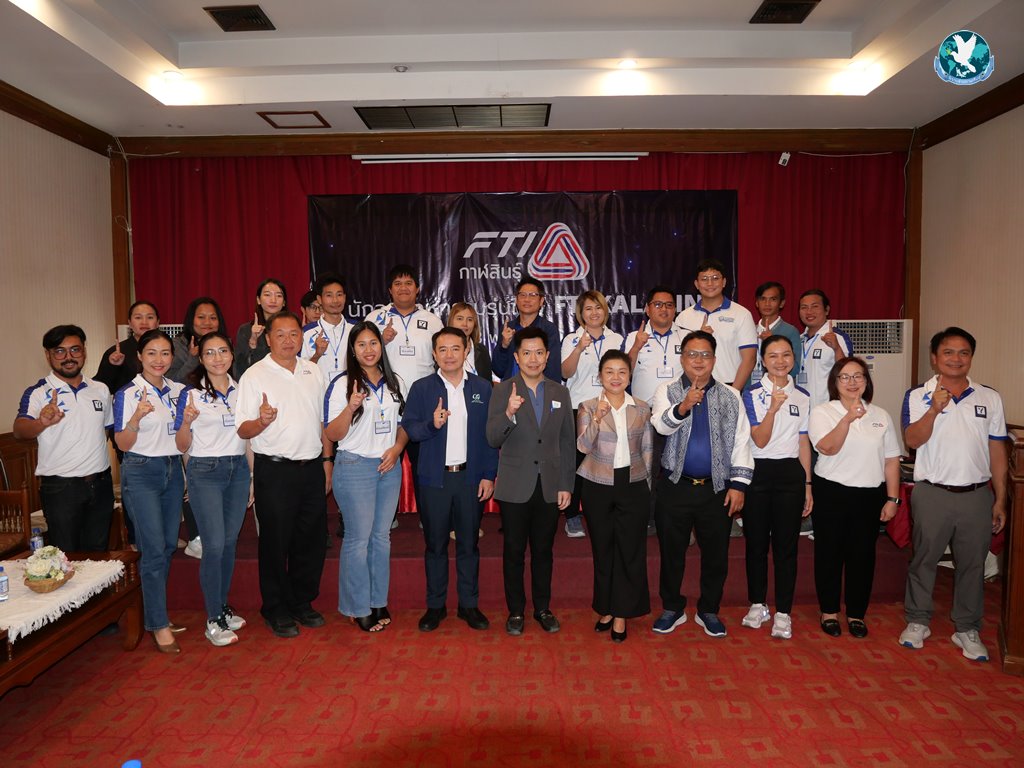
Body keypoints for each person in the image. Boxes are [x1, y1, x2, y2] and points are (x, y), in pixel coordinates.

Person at [899, 327, 1008, 662]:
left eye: (963, 353)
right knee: (924, 559)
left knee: (973, 564)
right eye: (948, 352)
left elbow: (997, 450)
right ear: (935, 358)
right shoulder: (918, 395)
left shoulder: (989, 397)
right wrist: (934, 409)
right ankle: (918, 620)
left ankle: (967, 628)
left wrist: (1000, 497)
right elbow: (912, 441)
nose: (956, 359)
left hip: (977, 495)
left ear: (971, 357)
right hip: (932, 493)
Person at [650, 330, 753, 638]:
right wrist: (683, 406)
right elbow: (660, 426)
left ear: (714, 360)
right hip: (675, 486)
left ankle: (709, 609)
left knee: (716, 555)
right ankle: (673, 607)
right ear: (682, 358)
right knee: (672, 553)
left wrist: (739, 485)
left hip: (716, 489)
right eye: (692, 354)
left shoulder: (731, 395)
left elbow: (742, 441)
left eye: (705, 355)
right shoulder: (667, 390)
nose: (698, 360)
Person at [236, 311, 330, 639]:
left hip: (311, 467)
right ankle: (274, 607)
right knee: (275, 542)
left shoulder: (313, 371)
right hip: (275, 471)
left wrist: (327, 461)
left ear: (302, 337)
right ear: (268, 339)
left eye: (294, 334)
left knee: (311, 540)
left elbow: (321, 421)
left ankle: (301, 601)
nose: (288, 340)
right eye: (280, 334)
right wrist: (261, 421)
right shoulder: (254, 375)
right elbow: (243, 429)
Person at [402, 327, 497, 632]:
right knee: (435, 545)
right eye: (442, 349)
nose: (449, 355)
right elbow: (410, 429)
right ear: (434, 354)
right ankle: (436, 606)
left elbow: (490, 438)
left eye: (455, 348)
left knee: (469, 545)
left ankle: (469, 605)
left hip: (470, 479)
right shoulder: (422, 388)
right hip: (434, 480)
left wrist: (488, 475)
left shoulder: (482, 388)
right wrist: (432, 425)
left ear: (466, 350)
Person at [487, 326, 574, 636]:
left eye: (539, 353)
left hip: (549, 485)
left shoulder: (560, 392)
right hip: (515, 484)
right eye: (527, 353)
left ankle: (542, 608)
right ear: (517, 357)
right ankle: (515, 611)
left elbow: (567, 442)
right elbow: (492, 438)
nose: (533, 359)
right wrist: (509, 413)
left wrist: (566, 484)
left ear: (547, 356)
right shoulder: (502, 391)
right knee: (513, 551)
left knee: (543, 551)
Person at [808, 356, 900, 639]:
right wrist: (848, 418)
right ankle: (829, 611)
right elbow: (827, 448)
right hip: (832, 492)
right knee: (829, 554)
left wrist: (893, 499)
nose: (852, 382)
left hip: (870, 495)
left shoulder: (880, 415)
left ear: (866, 381)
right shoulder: (823, 412)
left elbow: (891, 460)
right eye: (844, 377)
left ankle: (856, 613)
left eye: (858, 376)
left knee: (863, 556)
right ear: (835, 382)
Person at [324, 321, 407, 632]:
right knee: (358, 540)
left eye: (373, 343)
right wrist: (350, 408)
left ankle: (377, 599)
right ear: (353, 350)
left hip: (388, 467)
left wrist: (397, 449)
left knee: (381, 538)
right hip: (355, 466)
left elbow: (403, 424)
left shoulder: (395, 381)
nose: (369, 350)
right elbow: (332, 433)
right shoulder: (342, 384)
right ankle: (357, 606)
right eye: (361, 344)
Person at [174, 332, 252, 647]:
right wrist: (185, 423)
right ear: (201, 358)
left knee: (229, 543)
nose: (217, 358)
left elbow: (247, 437)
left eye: (222, 351)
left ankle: (222, 606)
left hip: (238, 470)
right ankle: (213, 619)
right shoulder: (190, 394)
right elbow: (181, 445)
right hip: (205, 472)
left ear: (232, 354)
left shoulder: (242, 390)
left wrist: (252, 476)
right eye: (209, 352)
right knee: (214, 545)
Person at [112, 329, 185, 654]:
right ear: (139, 356)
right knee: (153, 548)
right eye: (151, 353)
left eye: (165, 353)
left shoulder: (178, 390)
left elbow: (182, 437)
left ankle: (156, 614)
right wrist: (136, 418)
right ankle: (157, 622)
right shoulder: (128, 393)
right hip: (141, 471)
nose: (159, 359)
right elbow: (122, 444)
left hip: (172, 470)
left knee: (168, 545)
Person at [14, 325, 114, 552]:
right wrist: (42, 422)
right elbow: (19, 430)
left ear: (84, 351)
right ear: (48, 355)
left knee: (99, 556)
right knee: (65, 557)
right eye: (59, 351)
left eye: (75, 349)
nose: (69, 357)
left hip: (100, 484)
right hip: (61, 489)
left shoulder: (100, 389)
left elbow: (107, 430)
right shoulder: (38, 392)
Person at [576, 349, 653, 643]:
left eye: (622, 371)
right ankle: (606, 607)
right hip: (597, 484)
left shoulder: (641, 408)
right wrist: (597, 419)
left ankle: (621, 613)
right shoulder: (587, 406)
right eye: (609, 372)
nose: (616, 377)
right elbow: (583, 447)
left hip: (632, 484)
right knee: (603, 548)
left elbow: (647, 449)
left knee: (630, 550)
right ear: (600, 376)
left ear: (629, 376)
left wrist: (647, 485)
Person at [739, 335, 813, 640]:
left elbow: (803, 441)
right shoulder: (751, 394)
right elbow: (759, 440)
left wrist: (807, 484)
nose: (780, 362)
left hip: (790, 474)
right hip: (758, 472)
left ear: (794, 359)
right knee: (755, 544)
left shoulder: (803, 396)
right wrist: (772, 408)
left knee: (786, 547)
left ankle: (783, 611)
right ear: (763, 361)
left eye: (786, 355)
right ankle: (758, 604)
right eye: (773, 356)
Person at [561, 291, 625, 539]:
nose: (594, 313)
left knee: (608, 462)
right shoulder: (571, 339)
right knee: (578, 464)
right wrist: (579, 348)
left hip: (610, 406)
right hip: (579, 408)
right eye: (588, 308)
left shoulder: (616, 339)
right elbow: (565, 372)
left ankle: (607, 511)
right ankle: (572, 516)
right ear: (581, 313)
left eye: (598, 307)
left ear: (605, 311)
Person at [624, 285, 687, 536]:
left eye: (669, 305)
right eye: (658, 304)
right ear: (647, 309)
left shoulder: (685, 336)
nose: (664, 309)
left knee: (678, 468)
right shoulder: (634, 336)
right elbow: (624, 373)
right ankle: (648, 519)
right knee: (646, 470)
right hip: (645, 414)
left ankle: (677, 519)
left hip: (679, 412)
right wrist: (636, 347)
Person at [673, 259, 757, 390]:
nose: (710, 283)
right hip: (693, 389)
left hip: (729, 385)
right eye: (704, 279)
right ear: (697, 284)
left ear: (724, 282)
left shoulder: (742, 314)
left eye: (715, 278)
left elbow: (750, 359)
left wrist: (733, 393)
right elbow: (681, 358)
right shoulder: (683, 317)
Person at [364, 264, 443, 397]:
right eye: (397, 284)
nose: (403, 288)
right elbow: (361, 356)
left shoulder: (433, 321)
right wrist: (381, 341)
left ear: (417, 289)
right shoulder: (374, 318)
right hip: (385, 395)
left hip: (425, 394)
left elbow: (442, 358)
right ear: (390, 290)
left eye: (408, 283)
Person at [491, 277, 561, 384]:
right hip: (511, 390)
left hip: (538, 390)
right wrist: (504, 346)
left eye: (532, 295)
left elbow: (553, 371)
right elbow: (498, 370)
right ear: (516, 299)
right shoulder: (508, 328)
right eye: (522, 295)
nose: (527, 299)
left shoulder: (548, 330)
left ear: (541, 301)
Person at [797, 289, 852, 409]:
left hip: (828, 410)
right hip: (801, 410)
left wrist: (837, 348)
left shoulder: (838, 337)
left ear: (826, 310)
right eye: (804, 307)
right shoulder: (799, 339)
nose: (809, 312)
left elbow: (848, 373)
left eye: (815, 306)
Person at [95, 300, 160, 396]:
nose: (144, 322)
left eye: (150, 317)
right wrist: (112, 366)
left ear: (158, 322)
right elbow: (101, 388)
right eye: (138, 317)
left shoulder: (167, 350)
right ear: (129, 323)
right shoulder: (115, 352)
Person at [748, 282, 802, 389]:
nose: (767, 304)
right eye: (763, 299)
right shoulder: (749, 330)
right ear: (757, 303)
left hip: (779, 390)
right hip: (750, 389)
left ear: (781, 303)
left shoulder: (790, 331)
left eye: (773, 299)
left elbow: (795, 367)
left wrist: (771, 341)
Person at [301, 273, 351, 384]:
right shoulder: (306, 333)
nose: (335, 300)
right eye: (329, 295)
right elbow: (300, 373)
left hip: (352, 393)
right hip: (318, 393)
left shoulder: (356, 329)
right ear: (319, 299)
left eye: (339, 295)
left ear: (344, 297)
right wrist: (317, 355)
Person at [234, 278, 287, 379]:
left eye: (279, 296)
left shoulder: (291, 329)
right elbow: (240, 369)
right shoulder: (245, 330)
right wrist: (253, 342)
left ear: (284, 302)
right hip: (257, 382)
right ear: (258, 300)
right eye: (267, 295)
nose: (273, 300)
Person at [167, 297, 224, 383]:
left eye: (213, 318)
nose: (207, 322)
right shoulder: (177, 346)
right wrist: (193, 359)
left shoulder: (226, 345)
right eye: (201, 317)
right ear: (191, 320)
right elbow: (170, 382)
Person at [448, 302, 492, 380]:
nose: (465, 324)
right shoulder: (443, 349)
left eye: (470, 320)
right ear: (451, 321)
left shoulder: (482, 350)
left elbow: (488, 383)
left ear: (474, 324)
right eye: (460, 318)